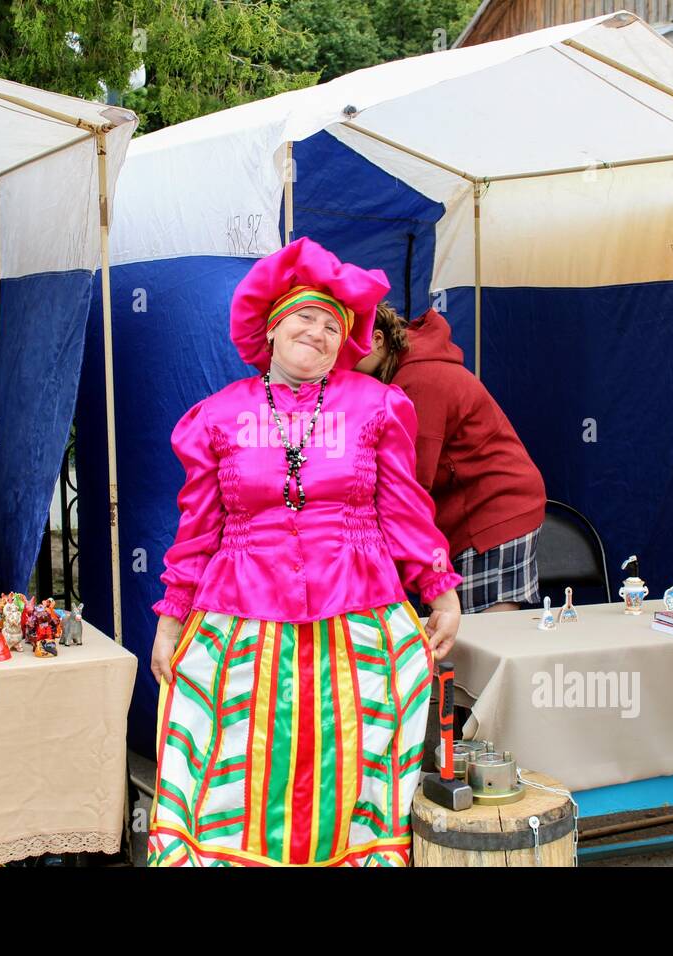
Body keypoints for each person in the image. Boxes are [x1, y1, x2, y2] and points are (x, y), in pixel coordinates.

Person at [146, 238, 463, 867]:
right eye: (304, 317)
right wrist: (169, 621)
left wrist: (441, 590)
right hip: (241, 622)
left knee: (349, 762)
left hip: (359, 615)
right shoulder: (218, 417)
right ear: (271, 326)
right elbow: (197, 530)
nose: (317, 334)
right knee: (239, 761)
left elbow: (402, 508)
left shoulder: (376, 406)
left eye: (331, 325)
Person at [356, 304, 546, 612]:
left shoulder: (419, 380)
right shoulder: (410, 369)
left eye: (348, 353)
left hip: (491, 509)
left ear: (377, 340)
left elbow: (413, 478)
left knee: (481, 634)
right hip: (490, 505)